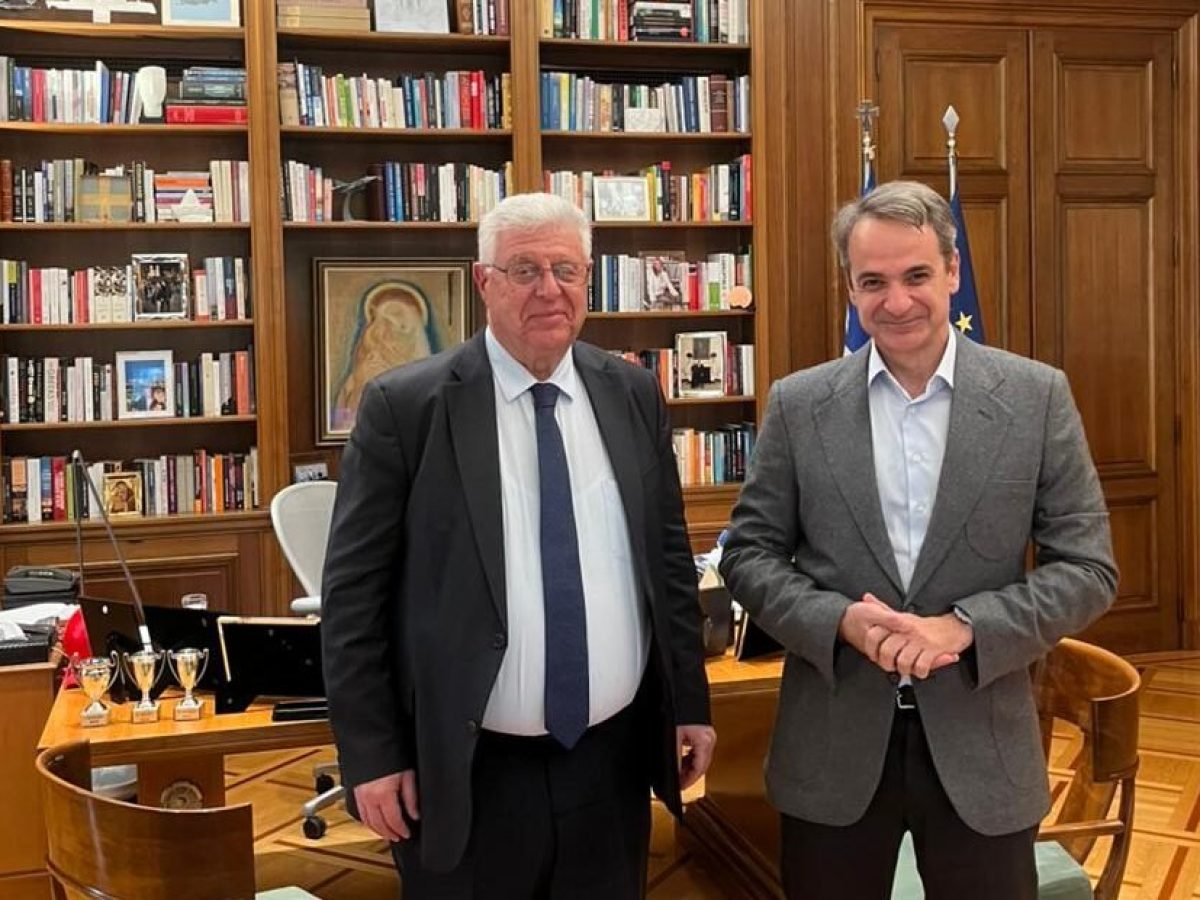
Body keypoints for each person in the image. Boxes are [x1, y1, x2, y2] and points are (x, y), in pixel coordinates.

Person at [718, 179, 1117, 900]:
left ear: (953, 272)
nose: (896, 301)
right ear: (849, 286)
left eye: (916, 276)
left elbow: (1088, 569)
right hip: (831, 752)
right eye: (873, 282)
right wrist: (839, 619)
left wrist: (965, 628)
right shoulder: (800, 404)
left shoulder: (1036, 398)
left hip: (982, 749)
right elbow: (748, 555)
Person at [321, 191, 716, 899]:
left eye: (567, 270)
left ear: (589, 279)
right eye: (525, 270)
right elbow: (353, 602)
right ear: (484, 282)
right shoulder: (405, 408)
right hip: (467, 769)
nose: (549, 290)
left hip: (611, 762)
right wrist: (372, 754)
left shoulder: (631, 394)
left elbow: (667, 564)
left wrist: (689, 701)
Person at [332, 283, 439, 431]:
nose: (384, 333)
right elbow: (340, 423)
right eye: (380, 323)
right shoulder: (357, 377)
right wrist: (358, 390)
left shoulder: (426, 378)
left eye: (397, 326)